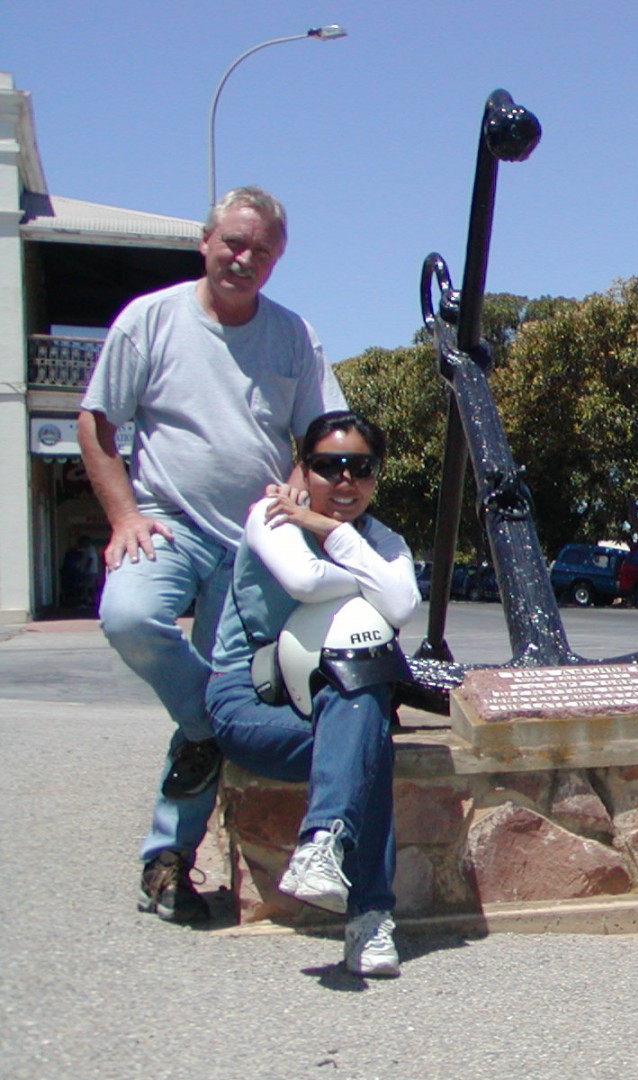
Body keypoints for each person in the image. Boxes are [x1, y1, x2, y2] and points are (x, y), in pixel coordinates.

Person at [78, 186, 346, 924]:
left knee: (235, 681)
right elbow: (96, 424)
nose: (244, 258)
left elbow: (324, 434)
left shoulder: (293, 335)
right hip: (165, 524)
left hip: (255, 541)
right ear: (205, 241)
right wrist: (123, 514)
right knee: (130, 618)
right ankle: (207, 725)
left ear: (277, 260)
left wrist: (297, 489)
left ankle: (166, 861)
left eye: (262, 250)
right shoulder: (150, 320)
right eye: (233, 242)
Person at [206, 411, 419, 977]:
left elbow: (401, 606)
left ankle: (324, 844)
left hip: (337, 702)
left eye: (360, 468)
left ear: (376, 475)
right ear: (303, 468)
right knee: (367, 745)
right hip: (253, 701)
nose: (345, 481)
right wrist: (372, 575)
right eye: (328, 466)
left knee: (364, 708)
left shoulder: (384, 539)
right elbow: (305, 581)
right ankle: (369, 916)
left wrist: (332, 532)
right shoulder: (271, 515)